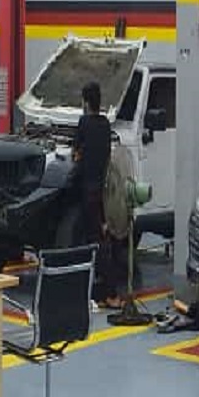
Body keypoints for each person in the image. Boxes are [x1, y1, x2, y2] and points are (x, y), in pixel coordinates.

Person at [74, 82, 124, 309]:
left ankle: (110, 294)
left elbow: (76, 153)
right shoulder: (105, 124)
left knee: (97, 242)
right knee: (105, 239)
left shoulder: (84, 123)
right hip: (105, 191)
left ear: (85, 102)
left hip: (89, 191)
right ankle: (103, 293)